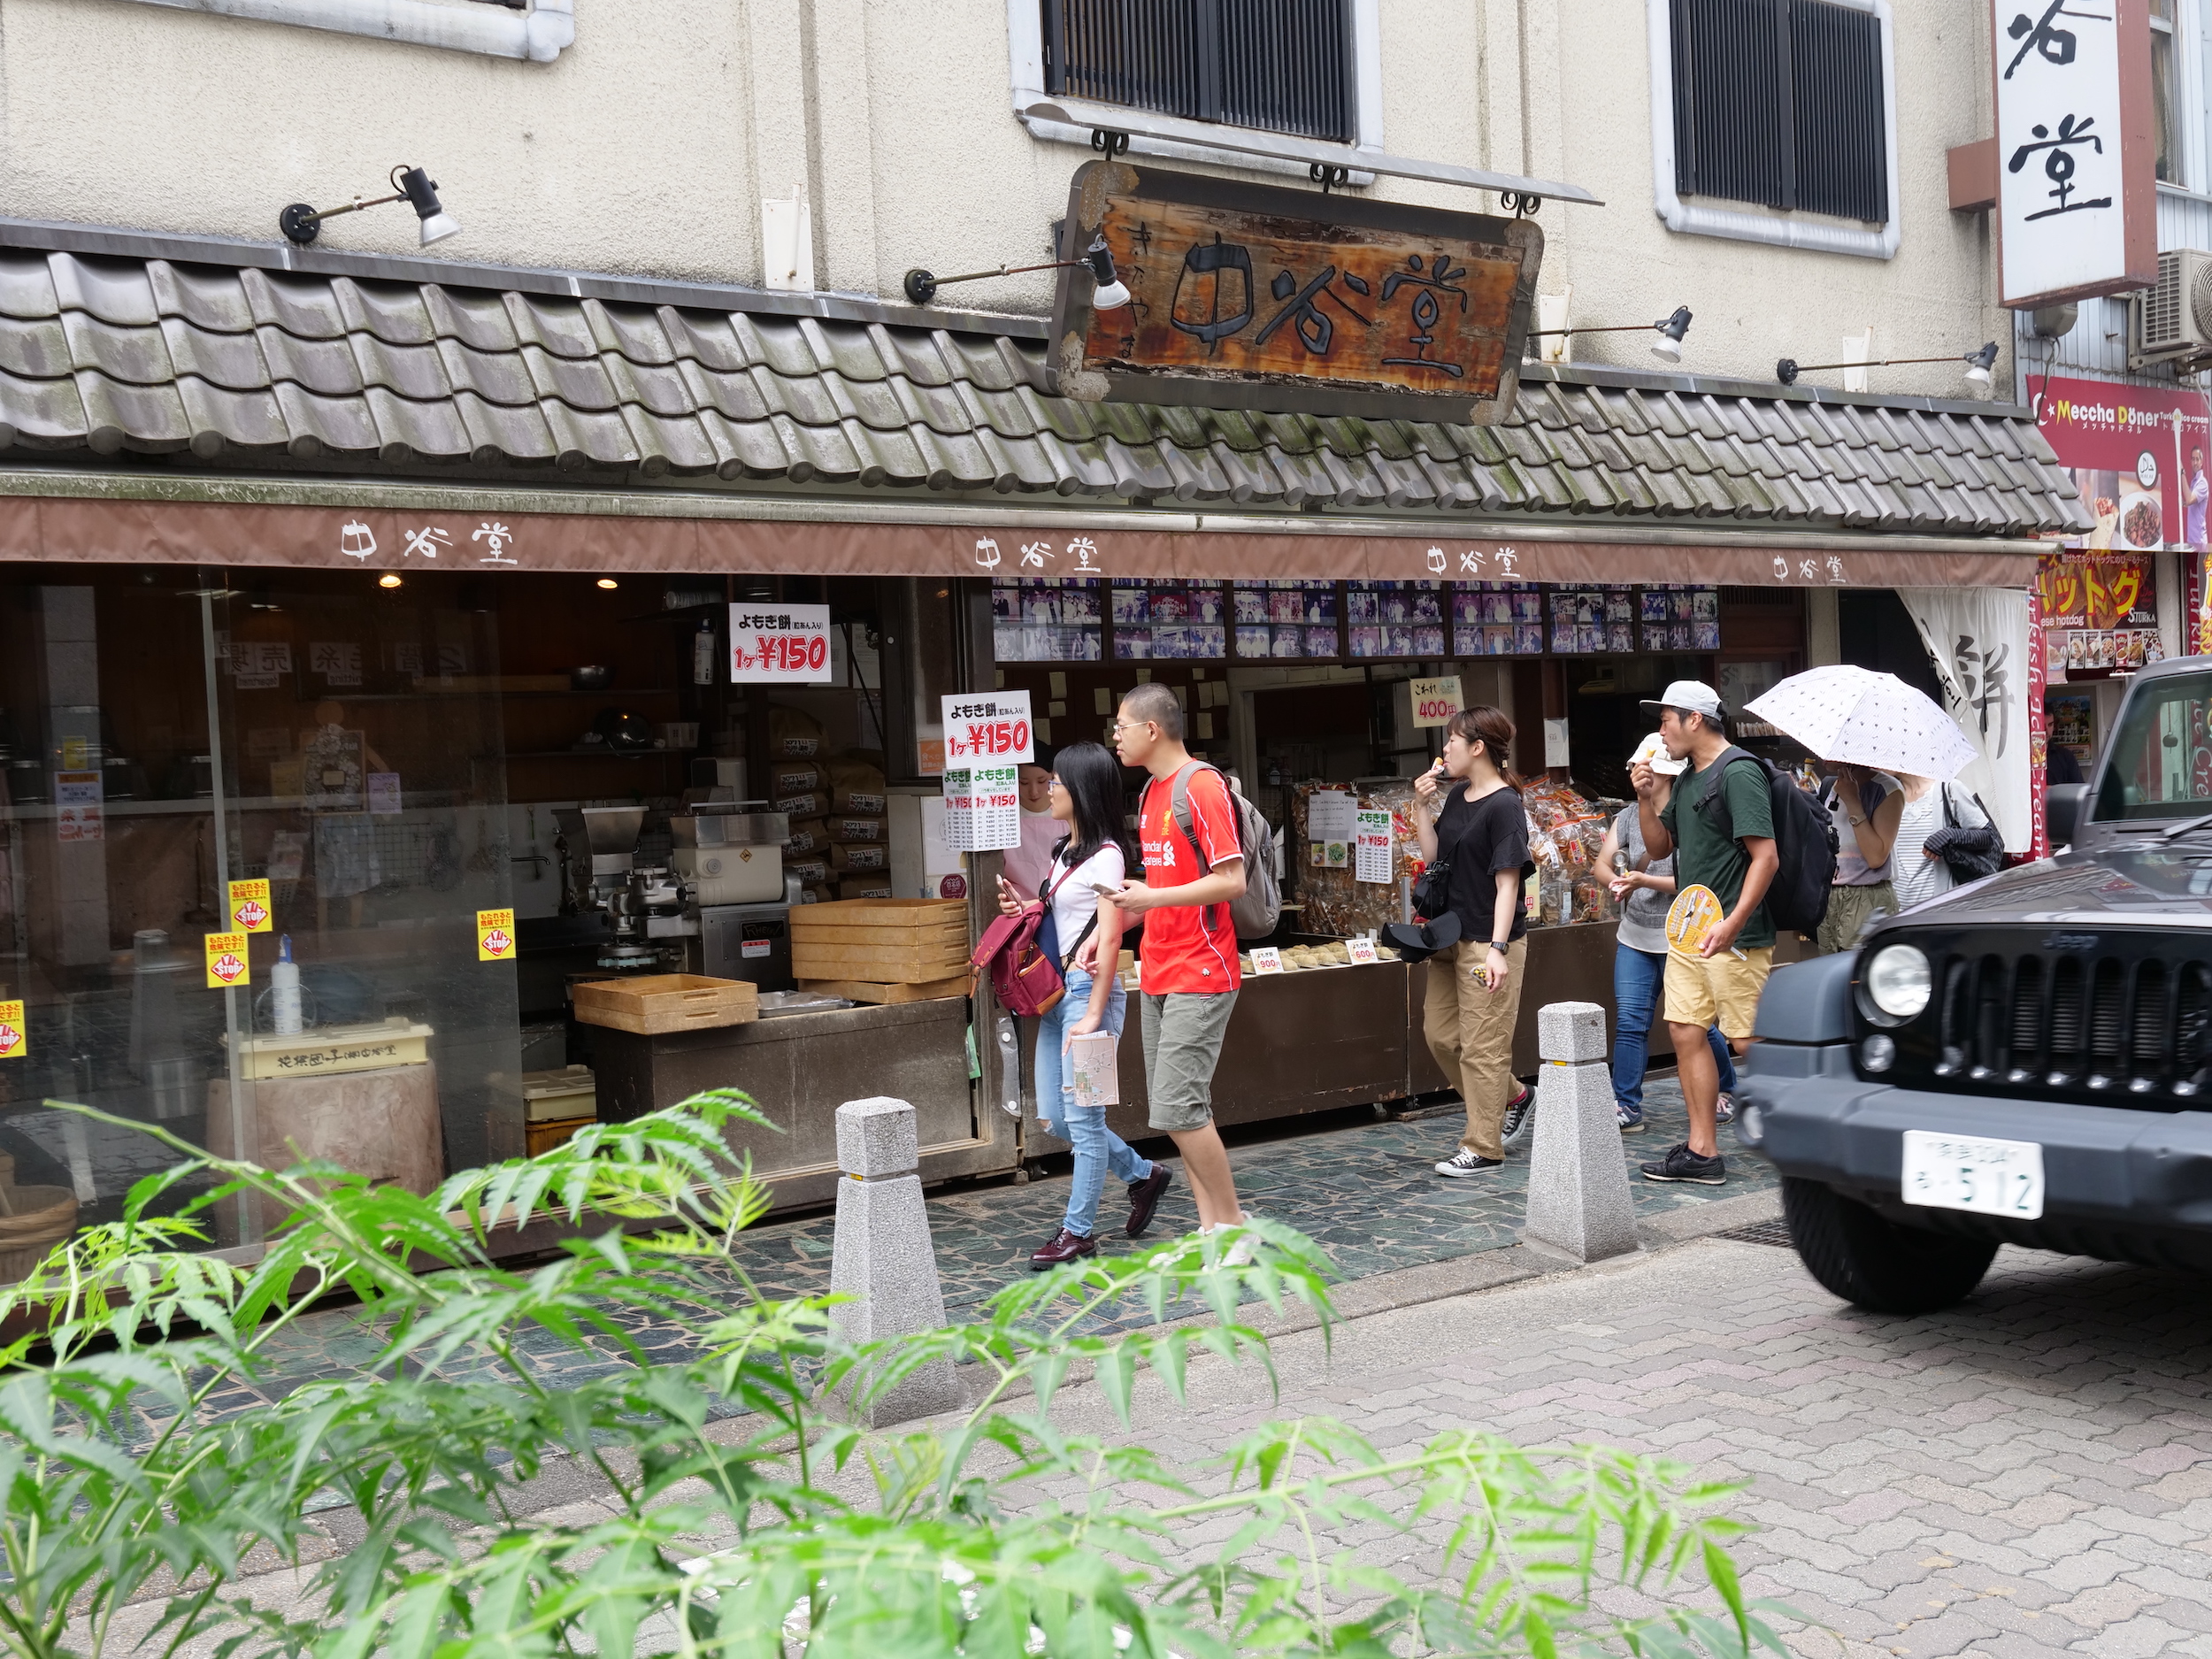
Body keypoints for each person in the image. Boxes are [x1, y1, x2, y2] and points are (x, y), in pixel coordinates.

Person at [995, 741, 1172, 1269]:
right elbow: (1068, 920)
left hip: (1088, 998)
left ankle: (1077, 1233)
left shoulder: (1108, 856)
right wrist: (1026, 906)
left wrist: (1094, 1014)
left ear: (1082, 790)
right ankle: (1143, 1174)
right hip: (1054, 999)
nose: (1047, 790)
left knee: (1086, 1121)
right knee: (1054, 1117)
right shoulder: (1063, 851)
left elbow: (1112, 935)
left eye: (1055, 782)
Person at [1087, 682, 1252, 1246]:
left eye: (1121, 725)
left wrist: (1149, 899)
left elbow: (1231, 881)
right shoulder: (1151, 793)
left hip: (1201, 970)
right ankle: (1212, 1228)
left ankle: (1232, 1227)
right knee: (1177, 1112)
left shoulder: (1200, 786)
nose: (1115, 735)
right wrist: (1119, 924)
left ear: (1151, 729)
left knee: (1181, 1110)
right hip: (1160, 969)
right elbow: (1165, 886)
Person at [1635, 680, 1778, 1187]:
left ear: (1695, 719)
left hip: (1733, 935)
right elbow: (1657, 848)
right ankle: (1702, 1151)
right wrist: (1647, 797)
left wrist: (1733, 922)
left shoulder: (1737, 772)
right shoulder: (1689, 777)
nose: (1660, 731)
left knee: (1746, 1039)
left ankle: (1806, 1133)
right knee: (1685, 1031)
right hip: (1689, 933)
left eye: (1666, 719)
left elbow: (1766, 856)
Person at [1411, 706, 1535, 1179]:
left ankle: (1483, 1146)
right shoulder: (1460, 794)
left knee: (1484, 1047)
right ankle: (1517, 1097)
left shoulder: (1505, 805)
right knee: (1441, 1038)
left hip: (1487, 941)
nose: (1445, 749)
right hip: (1448, 935)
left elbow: (1509, 886)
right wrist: (1422, 805)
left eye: (1452, 741)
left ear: (1477, 747)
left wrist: (1499, 949)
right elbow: (1433, 859)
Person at [1598, 733, 1738, 1136]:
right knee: (1630, 1021)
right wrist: (1617, 882)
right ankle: (1625, 1104)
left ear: (1663, 772)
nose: (1634, 773)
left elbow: (1697, 880)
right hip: (1636, 934)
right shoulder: (1626, 816)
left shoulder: (1690, 812)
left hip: (1684, 935)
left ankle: (1728, 1089)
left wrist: (1644, 880)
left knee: (1698, 1025)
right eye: (1633, 767)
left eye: (1642, 766)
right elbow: (1602, 865)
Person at [1816, 762, 1902, 956]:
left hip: (1867, 898)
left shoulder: (1888, 789)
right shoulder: (1831, 785)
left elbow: (1876, 857)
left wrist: (1853, 801)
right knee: (1829, 974)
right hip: (1830, 896)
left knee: (1861, 974)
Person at [1890, 771, 1993, 910]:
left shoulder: (1949, 788)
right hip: (1897, 911)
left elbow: (1987, 836)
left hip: (1938, 909)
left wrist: (1950, 835)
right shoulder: (1886, 793)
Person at [1000, 747, 1062, 898]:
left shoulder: (1065, 813)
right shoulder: (1003, 815)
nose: (1034, 791)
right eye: (1024, 783)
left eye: (1041, 781)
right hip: (1017, 906)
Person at [2189, 444, 2208, 551]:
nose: (2195, 462)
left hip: (2199, 541)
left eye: (2197, 459)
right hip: (2192, 539)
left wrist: (2182, 473)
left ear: (2201, 462)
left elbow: (2190, 499)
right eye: (2193, 459)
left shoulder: (2202, 483)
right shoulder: (2194, 481)